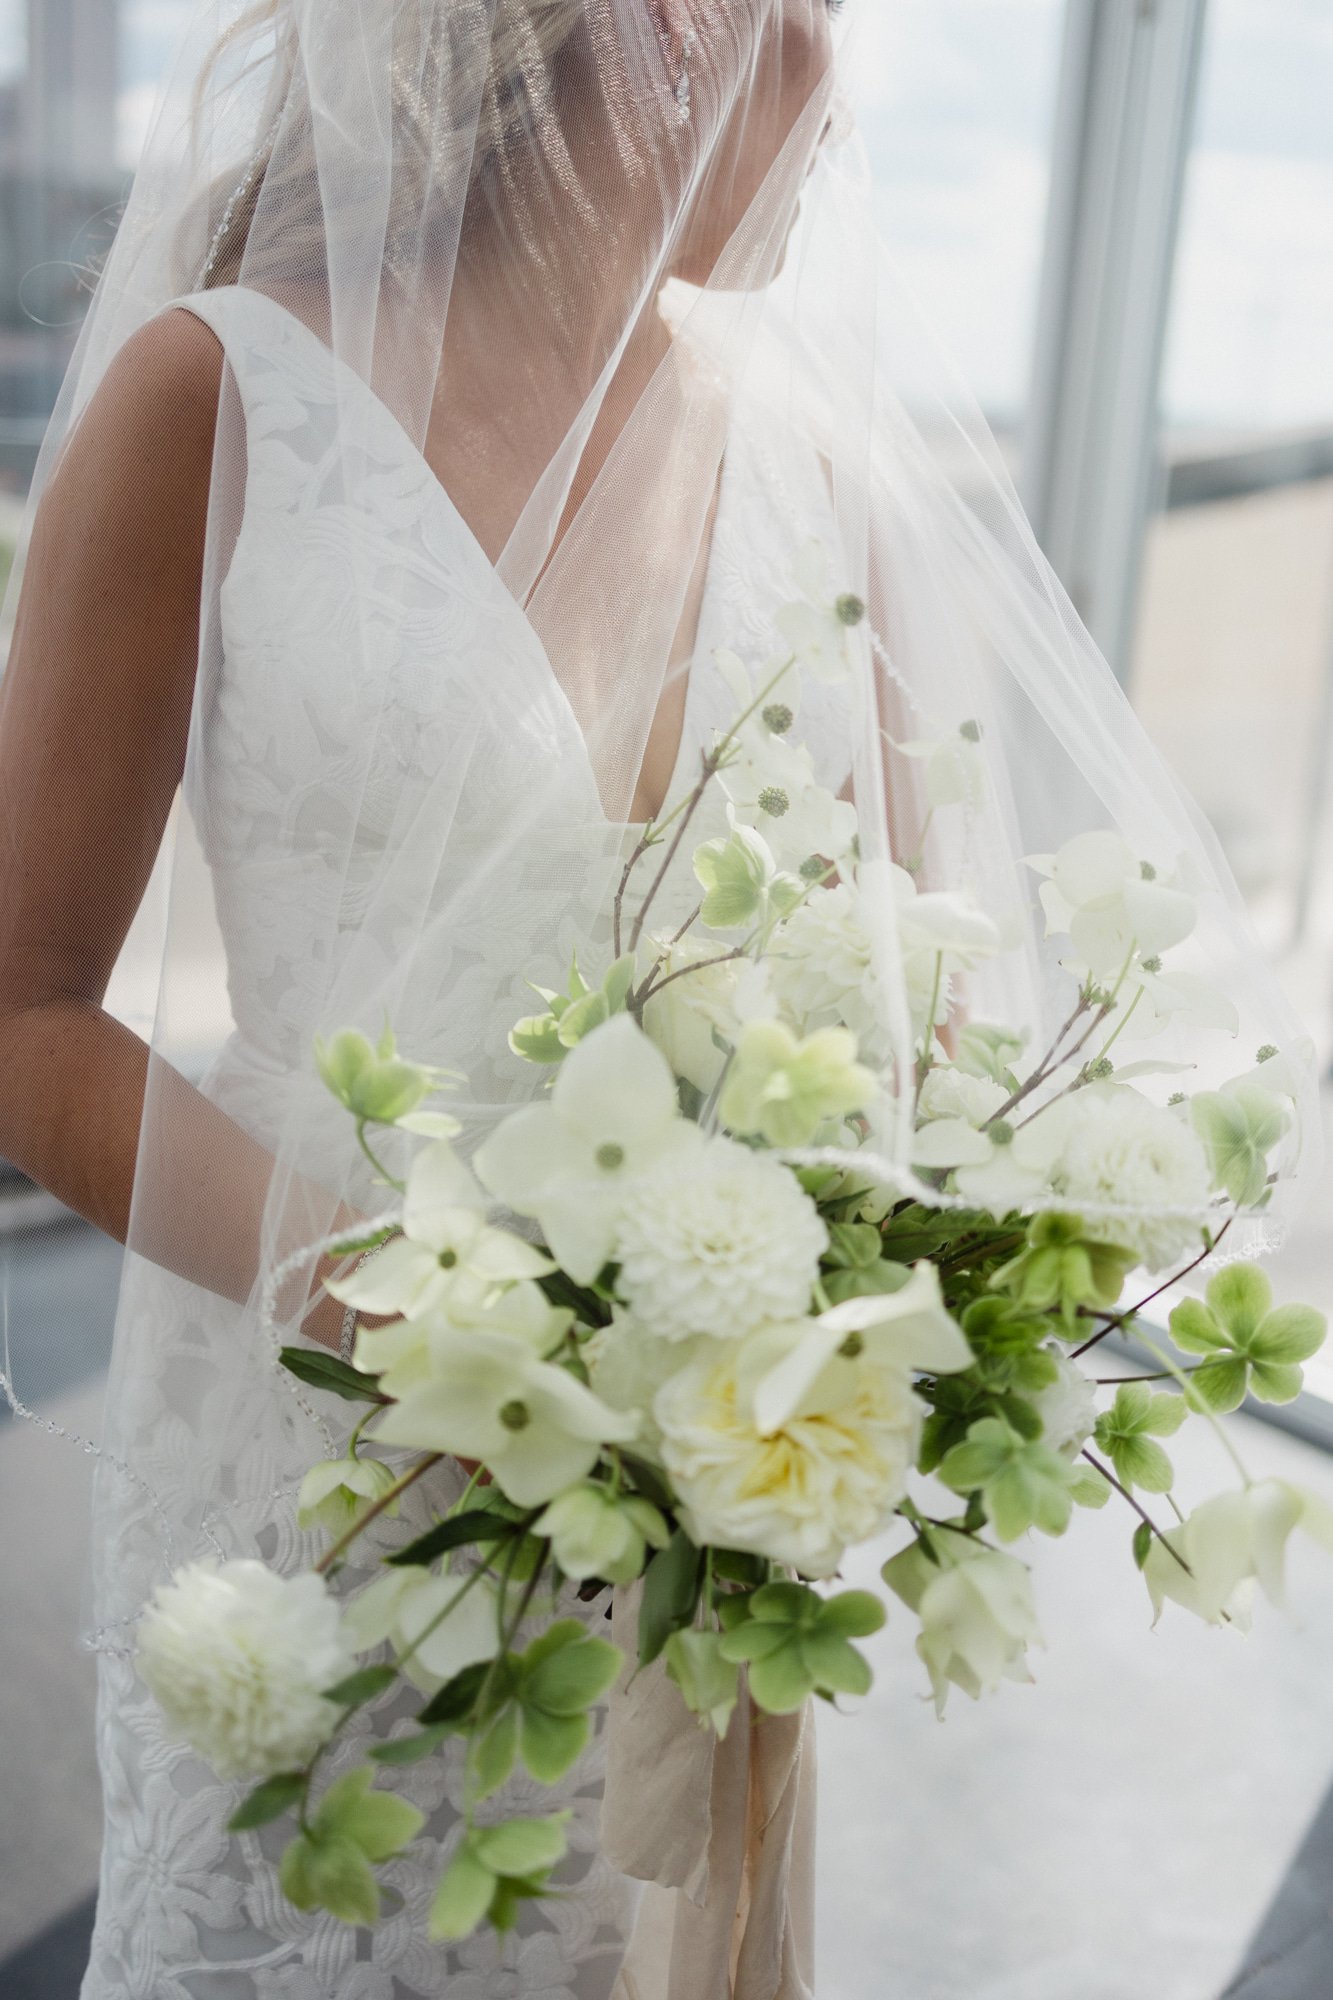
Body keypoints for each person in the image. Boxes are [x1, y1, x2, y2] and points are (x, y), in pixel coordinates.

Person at [0, 3, 1315, 1997]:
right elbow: (18, 1008)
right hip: (311, 1445)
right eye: (792, 18)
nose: (825, 87)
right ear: (635, 26)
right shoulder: (224, 395)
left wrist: (877, 1304)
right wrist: (396, 1307)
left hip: (691, 1480)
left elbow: (915, 1020)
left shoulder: (816, 468)